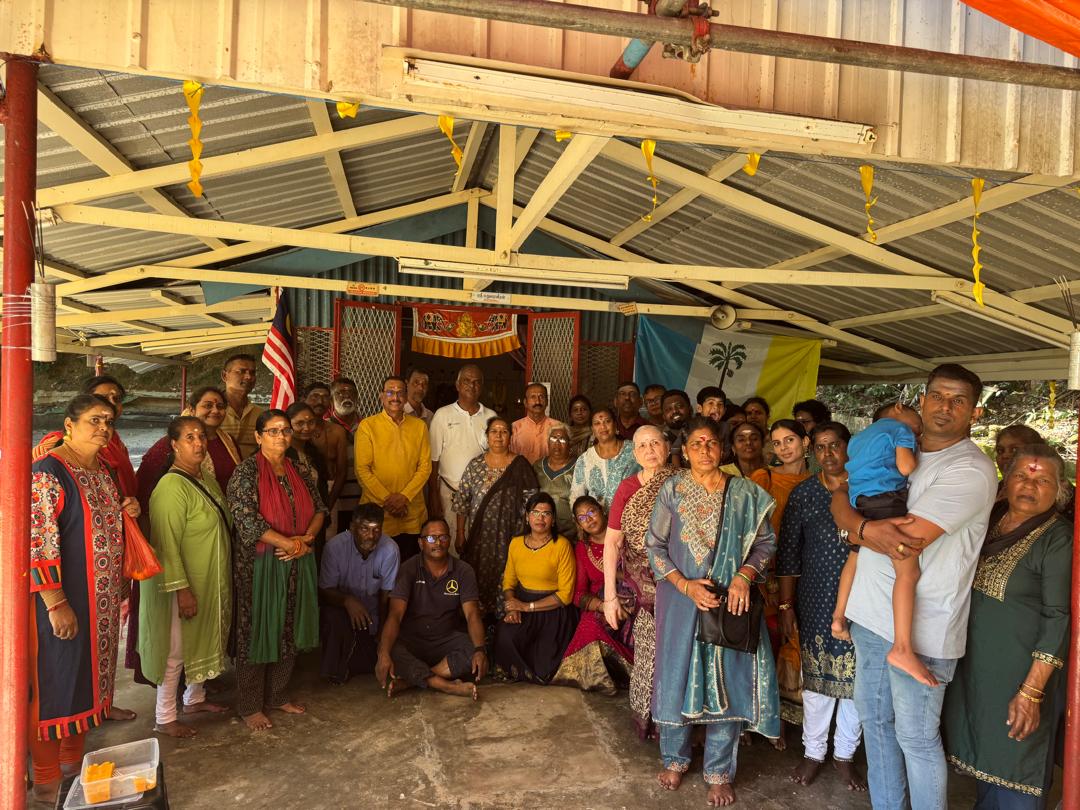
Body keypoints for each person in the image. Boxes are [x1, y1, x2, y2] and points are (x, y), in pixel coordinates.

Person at [830, 363, 998, 810]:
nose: (946, 407)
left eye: (959, 400)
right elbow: (838, 497)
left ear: (974, 413)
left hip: (925, 631)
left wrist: (858, 526)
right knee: (876, 723)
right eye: (938, 396)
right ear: (920, 401)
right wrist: (863, 527)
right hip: (870, 615)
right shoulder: (897, 446)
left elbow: (902, 541)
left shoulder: (971, 470)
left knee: (917, 739)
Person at [647, 416, 780, 805]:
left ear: (722, 449)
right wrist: (685, 585)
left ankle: (719, 770)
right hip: (681, 602)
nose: (705, 449)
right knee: (675, 675)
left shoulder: (745, 493)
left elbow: (765, 544)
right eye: (696, 443)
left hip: (729, 601)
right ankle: (675, 758)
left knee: (730, 677)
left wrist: (743, 576)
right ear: (684, 450)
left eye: (711, 443)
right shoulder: (671, 489)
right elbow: (654, 547)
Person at [943, 444, 1072, 808]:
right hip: (978, 670)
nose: (1029, 486)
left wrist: (1031, 692)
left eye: (1042, 480)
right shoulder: (992, 516)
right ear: (1005, 480)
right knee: (985, 762)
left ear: (1059, 489)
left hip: (1024, 676)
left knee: (1018, 767)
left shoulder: (1057, 538)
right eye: (1021, 476)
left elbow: (1058, 616)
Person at [28, 395, 140, 804]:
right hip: (64, 603)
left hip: (102, 605)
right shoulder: (48, 470)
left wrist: (129, 506)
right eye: (94, 419)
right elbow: (37, 541)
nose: (103, 428)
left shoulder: (102, 470)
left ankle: (73, 767)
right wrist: (56, 602)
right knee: (56, 685)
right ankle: (44, 780)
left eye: (108, 421)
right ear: (69, 424)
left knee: (88, 686)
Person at [777, 422, 866, 791]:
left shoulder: (867, 488)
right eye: (821, 448)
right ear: (813, 452)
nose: (828, 454)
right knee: (815, 682)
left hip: (863, 600)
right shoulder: (804, 494)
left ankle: (844, 755)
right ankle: (814, 752)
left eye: (835, 446)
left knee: (856, 682)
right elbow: (788, 553)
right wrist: (785, 605)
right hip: (813, 600)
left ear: (849, 449)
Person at [227, 409, 327, 732]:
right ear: (258, 437)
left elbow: (320, 509)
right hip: (261, 567)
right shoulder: (245, 473)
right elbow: (248, 521)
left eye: (285, 430)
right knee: (256, 630)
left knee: (289, 626)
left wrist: (305, 540)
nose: (281, 436)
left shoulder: (297, 469)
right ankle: (250, 705)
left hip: (298, 558)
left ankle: (278, 694)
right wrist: (287, 543)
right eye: (272, 431)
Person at [139, 416, 232, 738]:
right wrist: (182, 590)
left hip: (209, 576)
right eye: (190, 437)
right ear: (174, 445)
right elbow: (165, 544)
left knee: (203, 637)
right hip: (185, 581)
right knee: (176, 649)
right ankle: (165, 716)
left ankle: (195, 698)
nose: (198, 443)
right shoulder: (170, 487)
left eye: (202, 436)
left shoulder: (205, 477)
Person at [833, 403, 931, 686]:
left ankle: (838, 617)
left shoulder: (859, 437)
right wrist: (911, 448)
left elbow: (850, 476)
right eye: (918, 428)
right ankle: (902, 646)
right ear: (899, 409)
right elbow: (905, 466)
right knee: (908, 572)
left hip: (859, 503)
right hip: (886, 500)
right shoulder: (901, 429)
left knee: (855, 557)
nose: (918, 432)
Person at [602, 424, 676, 739]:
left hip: (683, 584)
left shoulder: (684, 482)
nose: (649, 450)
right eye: (642, 445)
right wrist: (609, 596)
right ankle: (654, 722)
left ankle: (682, 723)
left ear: (668, 447)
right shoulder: (628, 488)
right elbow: (612, 543)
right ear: (634, 454)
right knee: (651, 654)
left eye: (654, 443)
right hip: (645, 589)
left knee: (682, 653)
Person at [375, 518, 488, 699]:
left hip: (446, 639)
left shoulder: (463, 570)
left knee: (474, 650)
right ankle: (445, 685)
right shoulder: (408, 569)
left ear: (449, 540)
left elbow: (472, 614)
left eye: (443, 537)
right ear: (421, 543)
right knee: (390, 649)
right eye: (431, 538)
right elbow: (395, 615)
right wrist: (384, 653)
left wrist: (480, 650)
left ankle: (412, 680)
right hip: (413, 639)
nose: (437, 543)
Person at [453, 416, 538, 615]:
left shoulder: (520, 465)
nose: (498, 436)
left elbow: (532, 502)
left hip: (510, 538)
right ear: (487, 436)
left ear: (510, 436)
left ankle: (503, 620)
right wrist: (459, 533)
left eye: (503, 432)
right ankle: (478, 620)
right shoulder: (475, 465)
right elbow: (462, 502)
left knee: (507, 577)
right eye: (494, 431)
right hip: (478, 538)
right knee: (477, 576)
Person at [493, 492, 578, 684]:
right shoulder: (516, 544)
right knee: (505, 637)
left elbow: (565, 595)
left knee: (546, 665)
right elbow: (509, 582)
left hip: (553, 610)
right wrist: (513, 606)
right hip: (521, 604)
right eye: (535, 512)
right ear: (527, 517)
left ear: (553, 520)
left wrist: (526, 607)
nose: (540, 518)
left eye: (546, 513)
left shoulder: (562, 546)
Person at [553, 496, 634, 694]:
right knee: (590, 626)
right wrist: (604, 605)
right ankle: (604, 678)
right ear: (577, 523)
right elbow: (578, 594)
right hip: (601, 603)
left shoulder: (625, 537)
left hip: (635, 598)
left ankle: (637, 672)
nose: (589, 519)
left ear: (602, 510)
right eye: (582, 518)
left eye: (592, 512)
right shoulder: (582, 549)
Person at [750, 419, 812, 665]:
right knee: (769, 637)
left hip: (805, 574)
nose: (784, 448)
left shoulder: (817, 482)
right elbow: (748, 530)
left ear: (805, 442)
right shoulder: (764, 478)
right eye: (777, 443)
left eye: (790, 440)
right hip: (768, 573)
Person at [318, 504, 400, 684]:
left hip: (372, 614)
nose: (371, 536)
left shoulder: (390, 549)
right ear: (352, 527)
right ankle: (337, 671)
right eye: (364, 529)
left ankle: (354, 661)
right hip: (342, 611)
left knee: (380, 650)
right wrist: (348, 601)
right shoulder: (334, 548)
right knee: (333, 619)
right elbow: (324, 589)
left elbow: (387, 595)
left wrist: (381, 633)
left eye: (376, 530)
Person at [354, 375, 432, 561]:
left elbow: (425, 467)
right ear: (381, 396)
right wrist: (389, 500)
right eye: (390, 392)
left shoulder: (419, 426)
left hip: (411, 511)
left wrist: (404, 498)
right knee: (376, 567)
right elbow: (363, 470)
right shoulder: (367, 426)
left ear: (406, 397)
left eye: (399, 393)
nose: (395, 397)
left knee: (409, 565)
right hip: (377, 512)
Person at [34, 375, 138, 501]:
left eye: (117, 398)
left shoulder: (114, 443)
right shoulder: (50, 450)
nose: (112, 403)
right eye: (103, 398)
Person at [428, 364, 496, 544]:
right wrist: (434, 497)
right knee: (450, 548)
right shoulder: (442, 415)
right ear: (457, 385)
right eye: (467, 381)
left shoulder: (491, 417)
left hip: (481, 498)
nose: (471, 386)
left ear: (481, 387)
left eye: (476, 382)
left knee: (479, 548)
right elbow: (433, 461)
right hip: (449, 494)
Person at [570, 407, 641, 509]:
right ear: (592, 430)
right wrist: (582, 520)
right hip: (597, 522)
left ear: (615, 425)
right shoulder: (584, 459)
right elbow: (576, 496)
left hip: (631, 519)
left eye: (607, 421)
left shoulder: (635, 451)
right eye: (597, 423)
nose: (603, 426)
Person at [303, 381, 349, 512]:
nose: (320, 401)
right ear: (304, 399)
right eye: (315, 396)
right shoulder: (295, 429)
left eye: (325, 397)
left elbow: (341, 472)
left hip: (329, 493)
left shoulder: (337, 431)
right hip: (298, 492)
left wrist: (329, 503)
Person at [533, 422, 578, 539]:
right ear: (548, 443)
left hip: (570, 533)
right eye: (553, 438)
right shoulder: (537, 466)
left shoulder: (579, 467)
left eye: (562, 439)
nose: (557, 443)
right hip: (541, 531)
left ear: (570, 444)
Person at [328, 377, 362, 531]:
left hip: (363, 499)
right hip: (334, 500)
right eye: (340, 393)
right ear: (331, 399)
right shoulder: (324, 428)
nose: (346, 397)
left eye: (351, 393)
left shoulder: (368, 426)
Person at [287, 401, 331, 510]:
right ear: (288, 425)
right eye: (300, 423)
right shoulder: (280, 454)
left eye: (311, 422)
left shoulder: (315, 454)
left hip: (316, 518)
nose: (306, 428)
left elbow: (322, 491)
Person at [219, 354, 263, 459]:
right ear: (224, 376)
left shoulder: (259, 414)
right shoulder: (207, 411)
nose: (249, 377)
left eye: (252, 373)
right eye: (241, 372)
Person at [510, 382, 559, 463]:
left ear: (547, 402)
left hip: (549, 475)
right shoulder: (514, 428)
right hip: (521, 474)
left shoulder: (558, 427)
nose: (537, 401)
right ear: (525, 402)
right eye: (533, 397)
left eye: (541, 397)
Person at [994, 424, 1046, 497]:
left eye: (1015, 449)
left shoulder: (1048, 490)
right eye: (1000, 451)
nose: (1005, 456)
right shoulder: (998, 489)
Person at [661, 389, 692, 468]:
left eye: (679, 406)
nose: (674, 411)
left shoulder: (703, 430)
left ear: (690, 408)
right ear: (663, 416)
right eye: (668, 409)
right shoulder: (660, 439)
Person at [567, 394, 594, 458]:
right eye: (575, 410)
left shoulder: (595, 434)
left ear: (590, 413)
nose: (579, 413)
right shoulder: (565, 434)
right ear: (570, 415)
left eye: (584, 409)